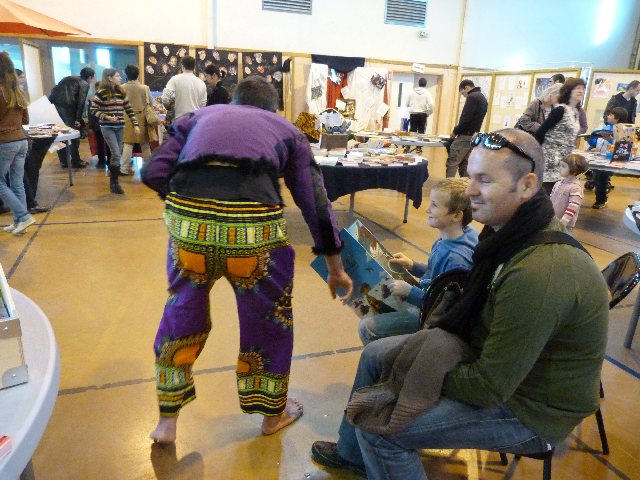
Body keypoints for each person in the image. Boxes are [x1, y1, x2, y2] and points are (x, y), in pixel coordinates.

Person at [310, 128, 609, 480]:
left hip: (533, 410)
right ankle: (353, 456)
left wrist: (413, 371)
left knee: (378, 428)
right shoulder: (508, 232)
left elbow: (488, 387)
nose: (469, 191)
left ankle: (372, 452)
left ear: (528, 185)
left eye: (485, 180)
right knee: (376, 355)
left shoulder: (540, 271)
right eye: (470, 177)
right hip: (500, 364)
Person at [142, 76, 353, 444]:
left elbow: (154, 172)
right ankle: (272, 416)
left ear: (234, 102)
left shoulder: (196, 118)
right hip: (255, 237)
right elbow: (315, 203)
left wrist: (189, 208)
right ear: (272, 109)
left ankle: (167, 423)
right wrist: (336, 267)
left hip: (191, 233)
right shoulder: (289, 132)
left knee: (181, 312)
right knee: (269, 321)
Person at [358, 178, 477, 344]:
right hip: (427, 294)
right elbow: (439, 274)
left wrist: (411, 293)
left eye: (434, 205)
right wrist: (413, 265)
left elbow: (443, 308)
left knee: (367, 327)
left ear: (456, 215)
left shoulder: (457, 259)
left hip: (428, 312)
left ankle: (388, 357)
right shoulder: (460, 234)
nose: (427, 209)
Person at [0, 52, 35, 235]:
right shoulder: (18, 91)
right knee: (17, 183)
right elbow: (25, 120)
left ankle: (23, 215)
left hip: (4, 141)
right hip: (21, 140)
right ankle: (19, 223)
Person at [90, 68, 140, 194]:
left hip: (120, 127)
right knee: (116, 154)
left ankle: (114, 182)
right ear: (110, 78)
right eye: (117, 76)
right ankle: (115, 183)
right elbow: (93, 109)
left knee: (117, 154)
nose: (120, 78)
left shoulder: (121, 91)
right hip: (107, 127)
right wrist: (106, 117)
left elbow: (128, 108)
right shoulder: (101, 92)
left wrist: (135, 124)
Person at [535, 77, 585, 194]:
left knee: (557, 192)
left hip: (564, 159)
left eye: (582, 88)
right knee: (547, 191)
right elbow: (541, 132)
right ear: (569, 90)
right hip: (551, 159)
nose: (581, 91)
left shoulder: (575, 111)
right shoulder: (560, 110)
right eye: (577, 88)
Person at [49, 66, 95, 168]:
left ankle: (64, 161)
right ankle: (75, 161)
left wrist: (49, 107)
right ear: (90, 77)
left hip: (56, 108)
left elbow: (53, 91)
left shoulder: (66, 78)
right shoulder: (84, 83)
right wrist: (78, 119)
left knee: (60, 135)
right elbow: (81, 102)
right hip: (69, 111)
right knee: (73, 136)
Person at [446, 80, 488, 178]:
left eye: (462, 92)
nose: (463, 95)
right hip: (474, 136)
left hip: (465, 135)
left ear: (466, 87)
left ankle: (448, 186)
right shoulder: (482, 97)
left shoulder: (472, 97)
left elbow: (465, 118)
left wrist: (455, 131)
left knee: (453, 162)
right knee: (466, 164)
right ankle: (465, 186)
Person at [120, 65, 155, 175]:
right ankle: (148, 169)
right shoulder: (145, 88)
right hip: (142, 118)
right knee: (145, 144)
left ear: (126, 75)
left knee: (127, 144)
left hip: (127, 118)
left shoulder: (121, 88)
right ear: (138, 75)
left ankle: (124, 169)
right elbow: (151, 103)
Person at [591, 106, 628, 208]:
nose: (608, 116)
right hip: (599, 157)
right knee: (597, 178)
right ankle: (601, 195)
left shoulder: (621, 129)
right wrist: (591, 141)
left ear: (617, 118)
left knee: (601, 180)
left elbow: (620, 146)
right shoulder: (606, 127)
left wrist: (609, 139)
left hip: (609, 159)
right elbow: (599, 142)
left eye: (611, 115)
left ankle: (601, 201)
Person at [550, 153, 588, 230]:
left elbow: (573, 208)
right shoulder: (558, 183)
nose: (560, 168)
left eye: (563, 166)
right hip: (553, 221)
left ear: (574, 170)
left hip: (564, 225)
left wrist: (562, 224)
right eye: (560, 165)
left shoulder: (575, 188)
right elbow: (551, 199)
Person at [161, 55, 206, 120]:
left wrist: (169, 107)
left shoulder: (174, 79)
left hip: (179, 119)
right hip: (194, 120)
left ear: (182, 66)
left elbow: (165, 99)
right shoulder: (201, 83)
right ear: (194, 67)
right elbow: (203, 104)